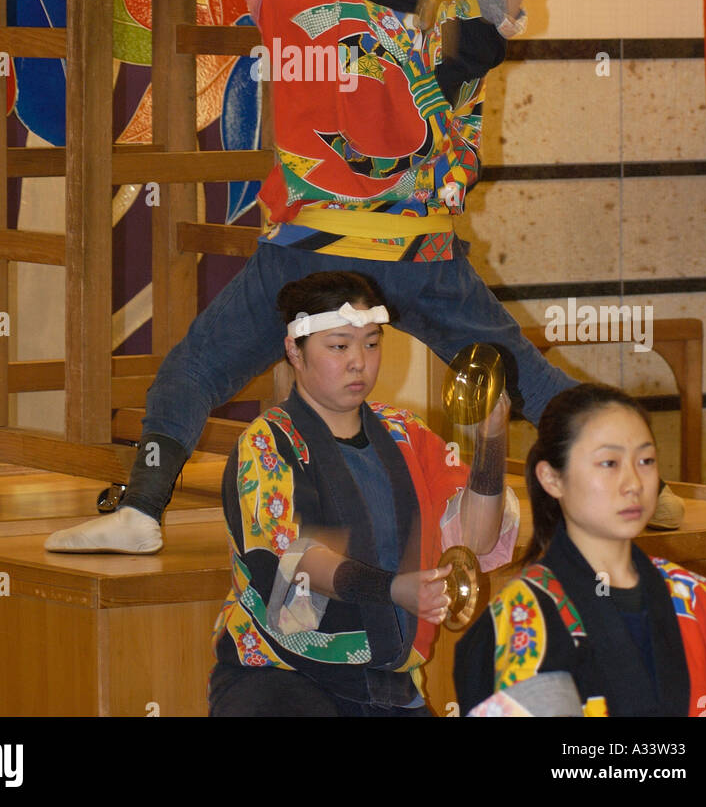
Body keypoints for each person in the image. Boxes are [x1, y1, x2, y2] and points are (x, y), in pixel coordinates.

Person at [46, 0, 577, 556]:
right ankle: (629, 483)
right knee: (525, 377)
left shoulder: (300, 2)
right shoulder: (466, 26)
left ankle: (142, 509)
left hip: (310, 255)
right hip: (424, 256)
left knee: (193, 371)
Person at [210, 270, 517, 717]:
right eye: (339, 346)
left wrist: (491, 441)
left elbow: (476, 539)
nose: (359, 361)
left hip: (388, 683)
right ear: (294, 350)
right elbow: (296, 559)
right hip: (278, 676)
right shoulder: (267, 442)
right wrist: (393, 589)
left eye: (372, 343)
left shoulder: (405, 432)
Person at [453, 384, 706, 717]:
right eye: (609, 463)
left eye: (646, 460)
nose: (634, 483)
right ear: (551, 478)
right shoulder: (522, 620)